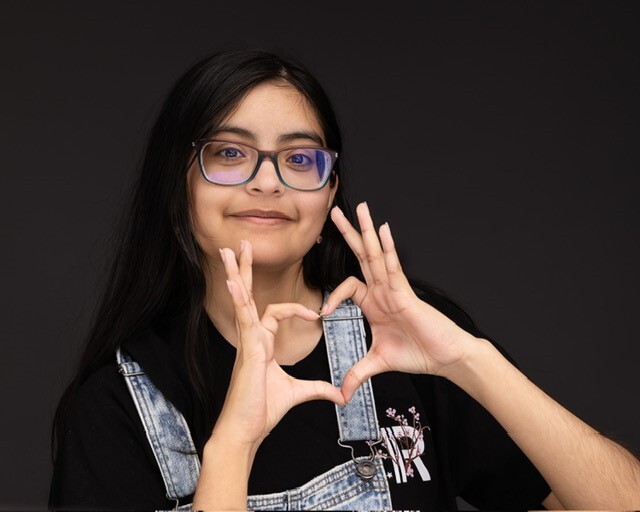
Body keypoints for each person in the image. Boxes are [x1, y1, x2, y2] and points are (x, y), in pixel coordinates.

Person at [49, 49, 640, 511]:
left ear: (329, 190)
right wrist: (233, 446)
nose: (268, 181)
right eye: (230, 153)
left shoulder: (409, 343)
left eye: (300, 158)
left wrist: (469, 360)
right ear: (177, 183)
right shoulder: (118, 405)